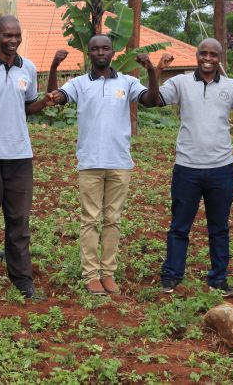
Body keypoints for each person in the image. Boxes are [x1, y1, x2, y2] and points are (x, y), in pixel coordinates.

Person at [139, 37, 233, 297]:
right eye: (203, 53)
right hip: (187, 167)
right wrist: (156, 70)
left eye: (214, 55)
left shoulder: (231, 86)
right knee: (179, 225)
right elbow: (151, 100)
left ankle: (218, 279)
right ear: (196, 55)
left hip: (221, 168)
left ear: (221, 59)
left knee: (219, 227)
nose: (208, 59)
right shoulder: (181, 82)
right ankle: (171, 276)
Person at [45, 36, 159, 295]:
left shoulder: (128, 82)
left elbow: (151, 100)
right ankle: (91, 275)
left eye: (105, 48)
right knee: (90, 220)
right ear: (89, 52)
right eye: (94, 48)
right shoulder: (79, 84)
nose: (100, 52)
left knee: (113, 220)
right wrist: (53, 67)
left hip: (120, 163)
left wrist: (151, 70)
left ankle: (108, 273)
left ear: (113, 52)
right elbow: (54, 97)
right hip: (90, 162)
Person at [0, 15, 64, 300]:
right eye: (7, 35)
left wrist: (42, 103)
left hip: (20, 155)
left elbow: (26, 107)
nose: (12, 40)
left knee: (18, 219)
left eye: (17, 35)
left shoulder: (28, 69)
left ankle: (22, 277)